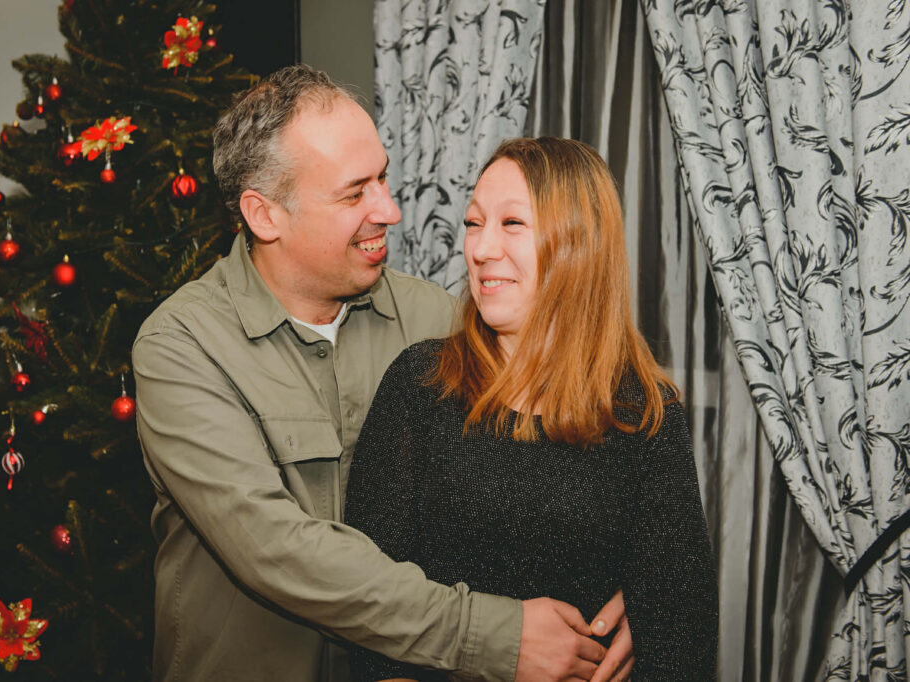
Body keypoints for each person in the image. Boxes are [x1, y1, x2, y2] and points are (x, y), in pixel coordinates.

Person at [133, 66, 636, 682]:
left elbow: (562, 460)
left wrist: (630, 592)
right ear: (264, 216)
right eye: (354, 194)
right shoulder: (181, 346)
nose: (390, 210)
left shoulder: (439, 321)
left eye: (383, 178)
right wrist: (495, 636)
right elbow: (273, 548)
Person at [344, 137, 718, 681]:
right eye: (474, 223)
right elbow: (368, 605)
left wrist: (647, 612)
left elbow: (681, 643)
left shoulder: (643, 415)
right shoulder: (420, 384)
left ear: (580, 243)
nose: (481, 248)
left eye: (512, 223)